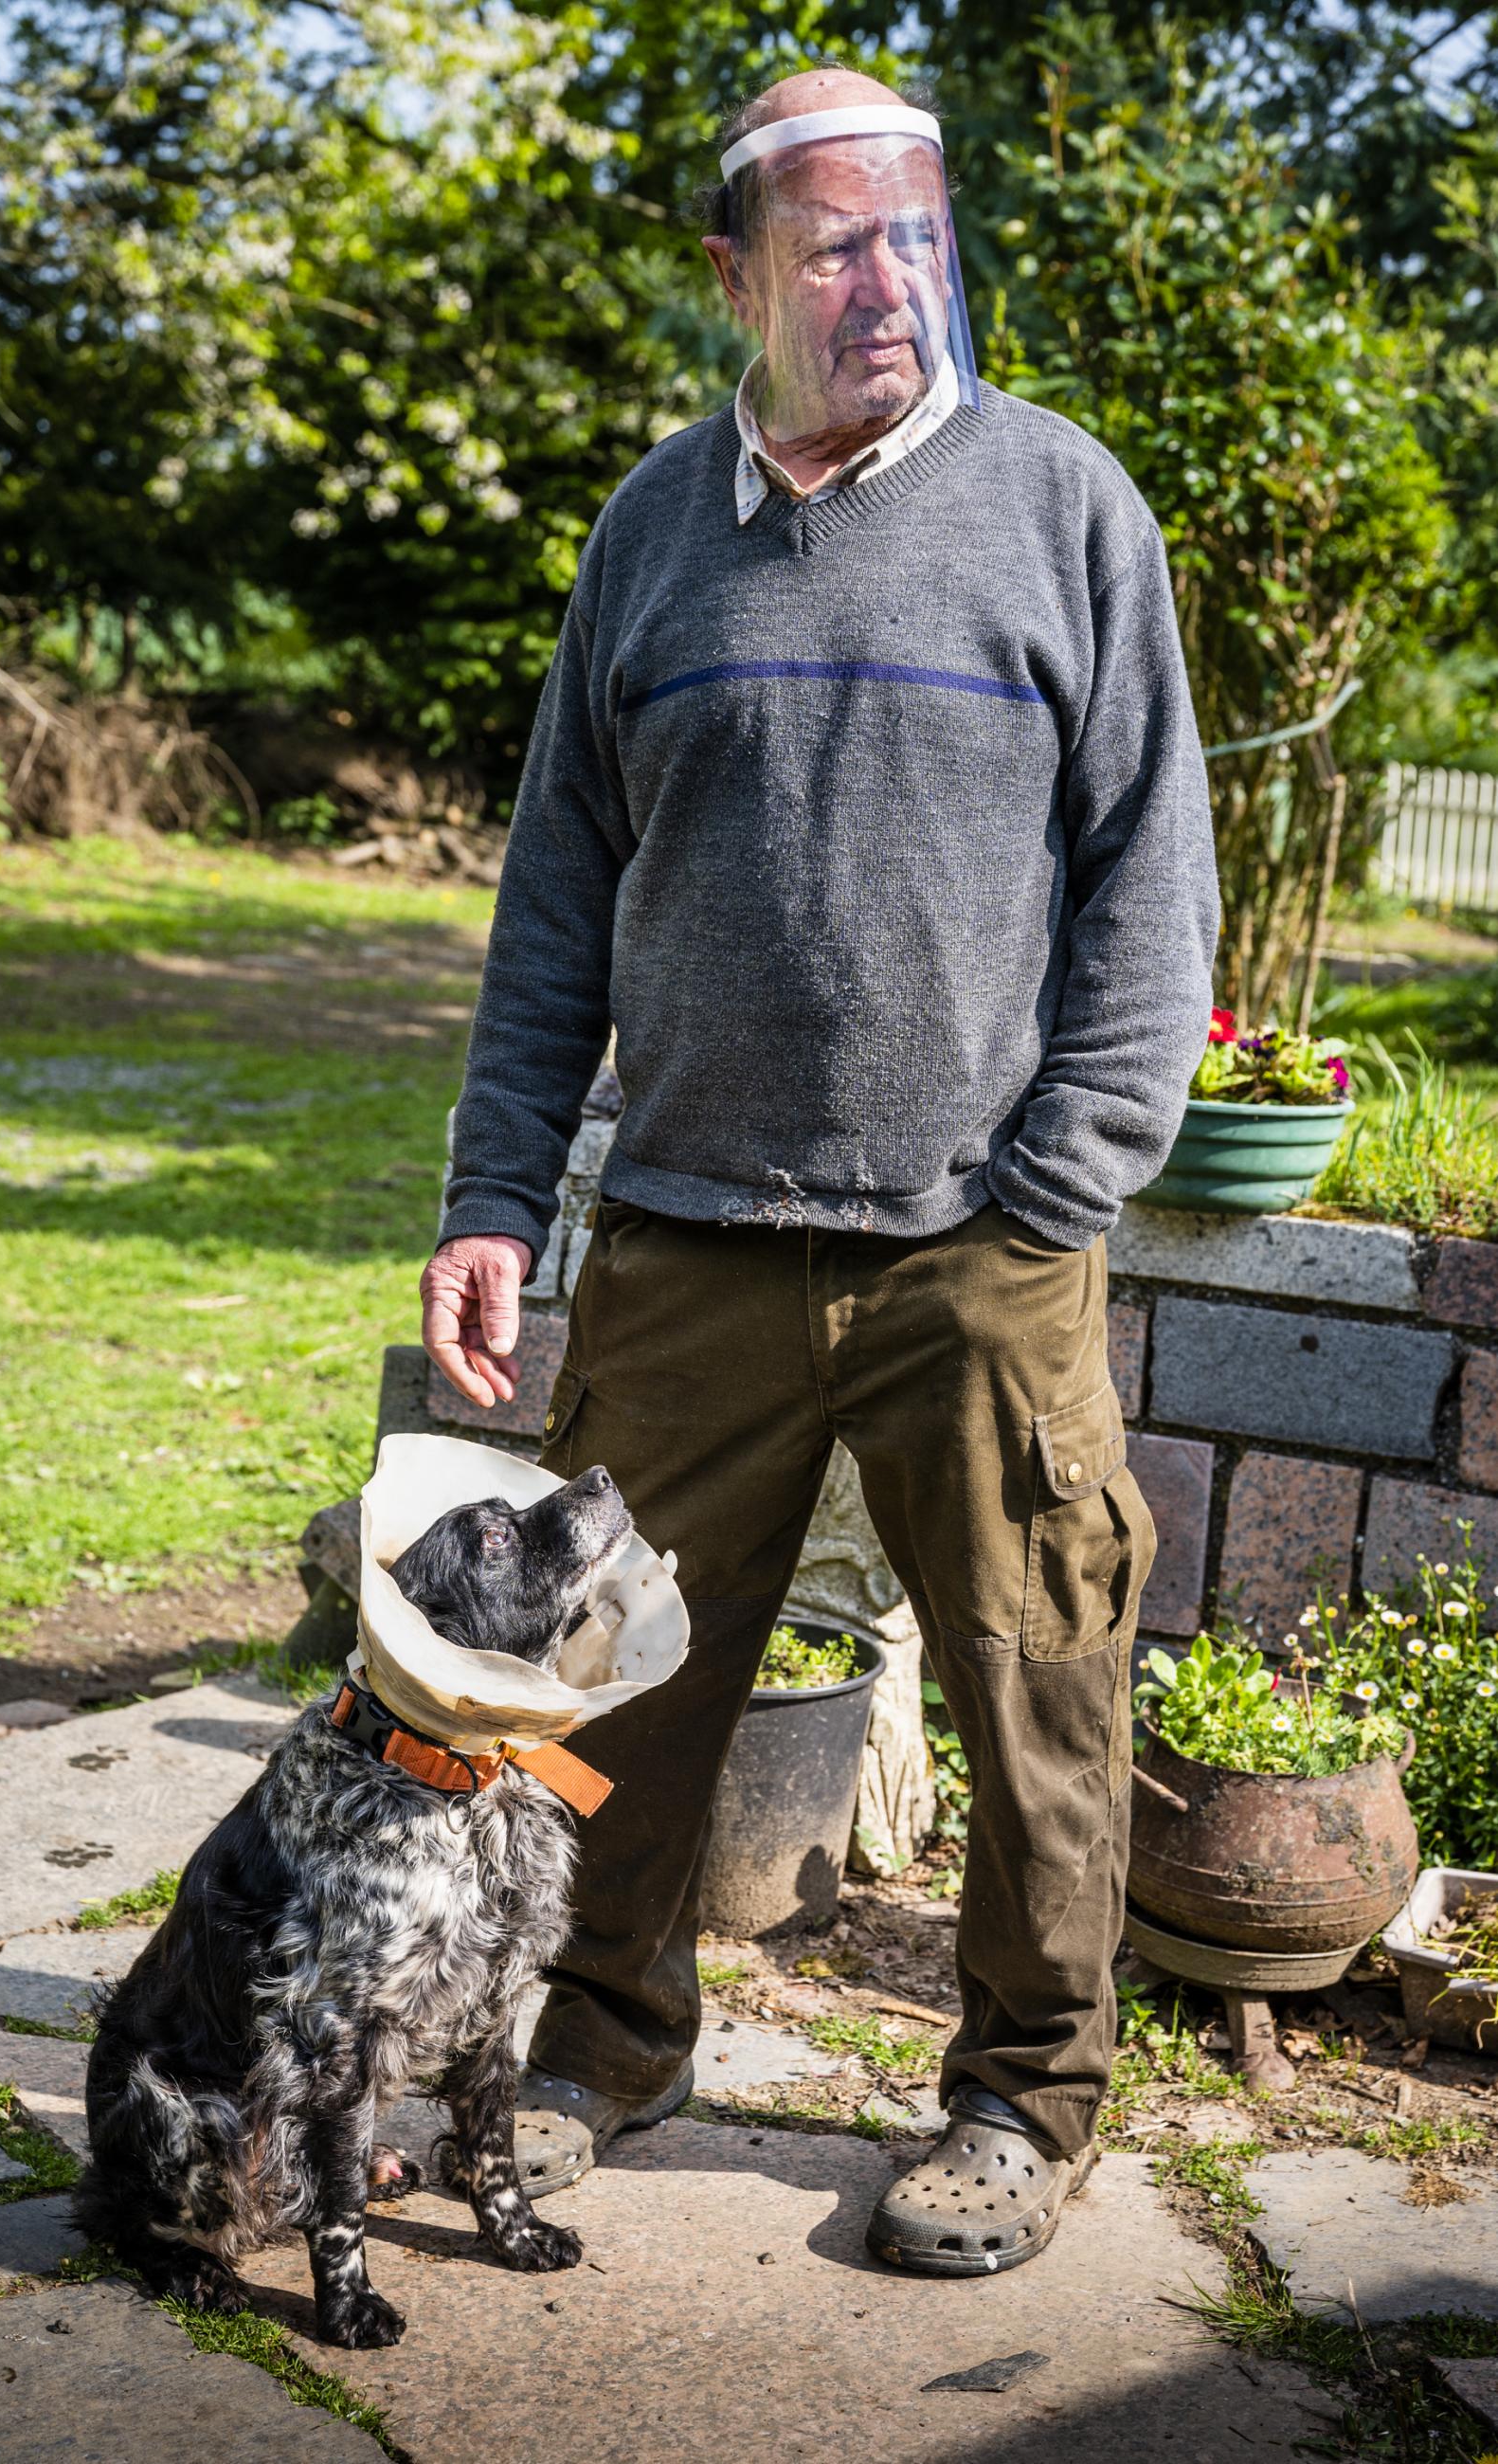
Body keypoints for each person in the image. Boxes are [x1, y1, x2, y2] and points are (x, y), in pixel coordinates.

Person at [419, 61, 1218, 2275]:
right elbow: (556, 891)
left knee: (1038, 1682)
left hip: (979, 1243)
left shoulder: (1066, 507)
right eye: (841, 244)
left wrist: (1062, 1180)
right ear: (734, 277)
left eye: (921, 235)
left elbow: (1156, 881)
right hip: (682, 1237)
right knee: (608, 1697)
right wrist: (501, 1191)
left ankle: (1024, 2098)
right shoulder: (650, 531)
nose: (894, 284)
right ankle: (598, 2045)